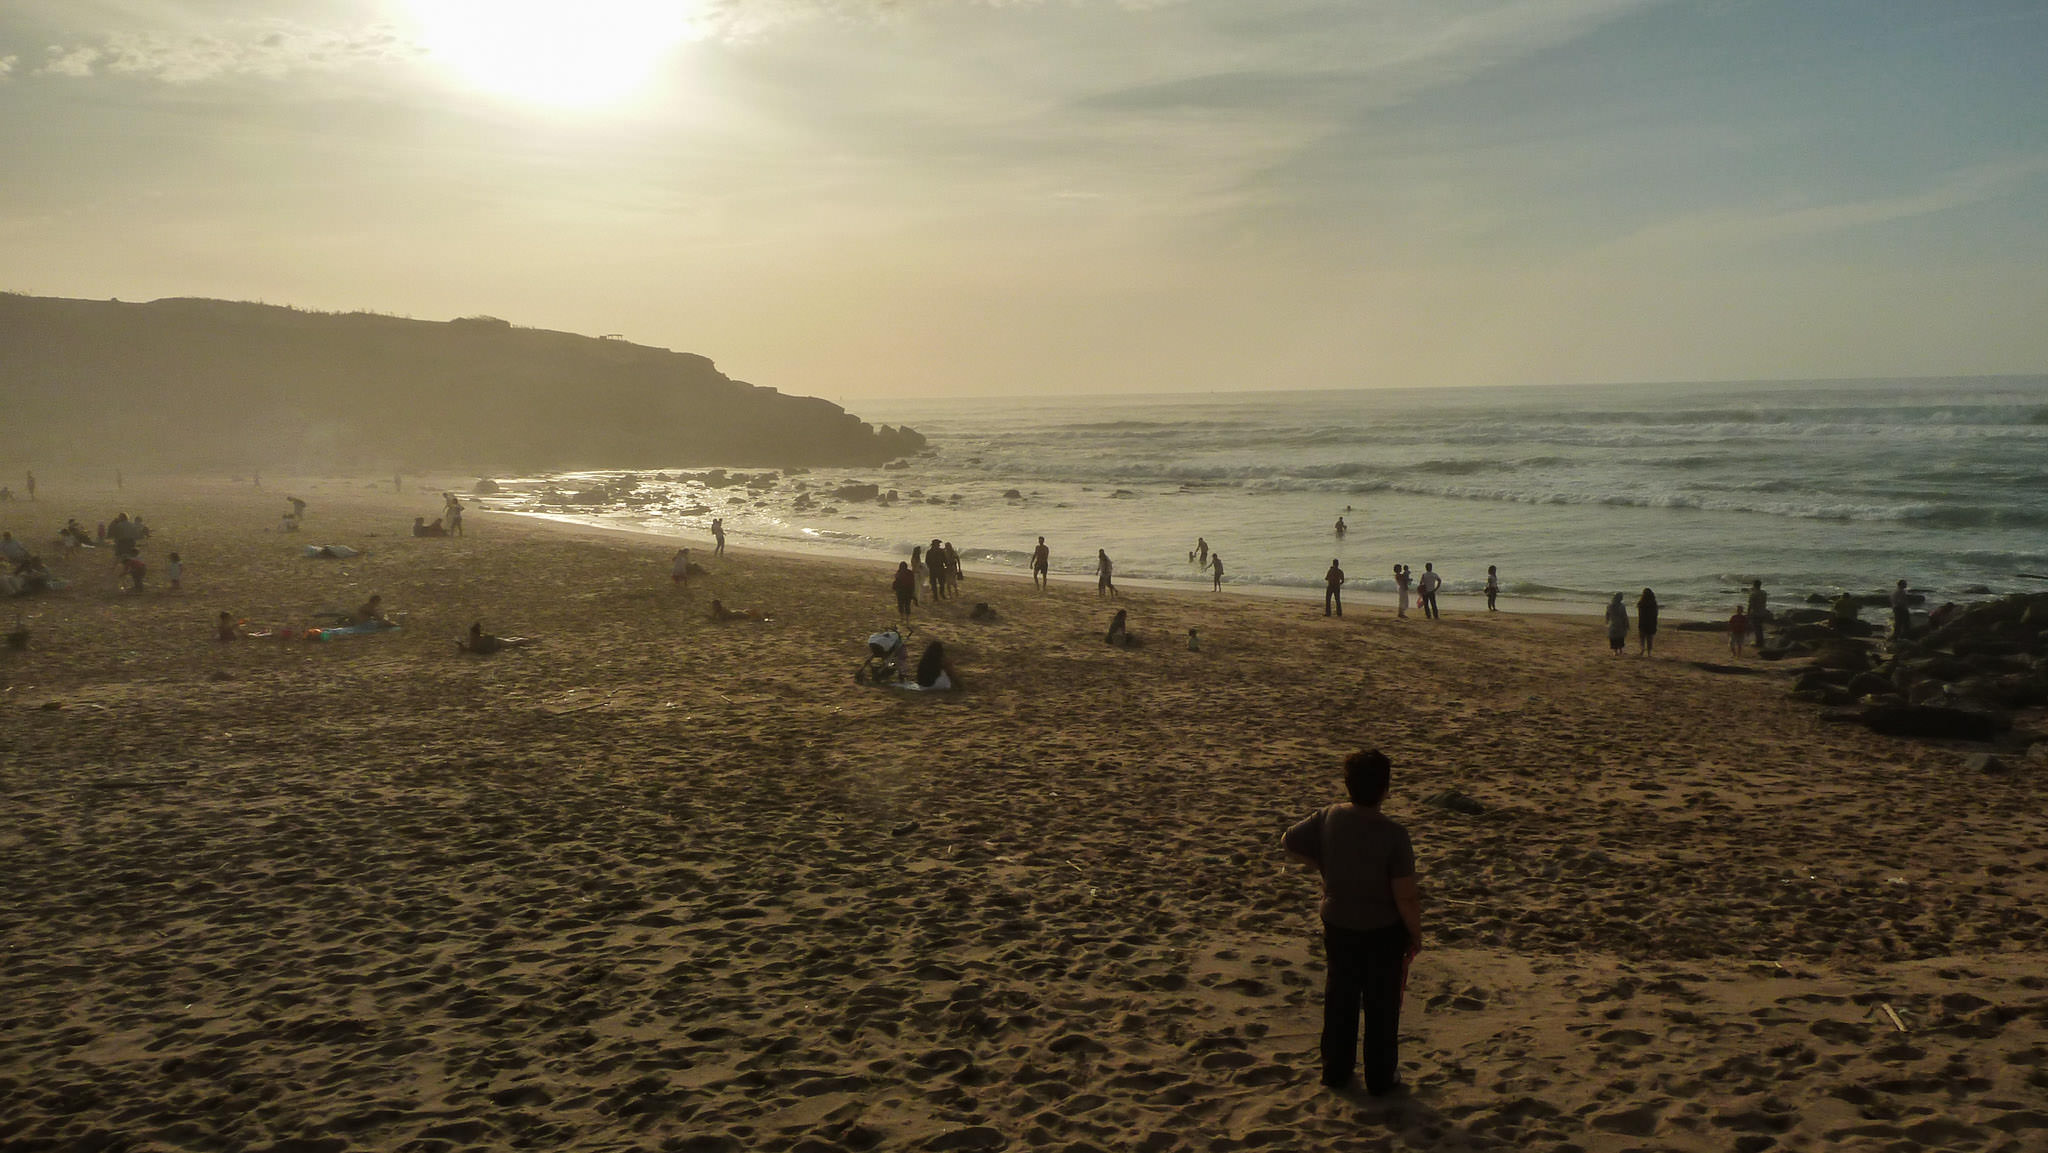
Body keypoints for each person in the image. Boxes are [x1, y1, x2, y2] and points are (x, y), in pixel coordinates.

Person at [1282, 749, 1422, 1096]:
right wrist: (1415, 934)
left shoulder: (1329, 816)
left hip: (1339, 923)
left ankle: (1335, 1070)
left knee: (1340, 996)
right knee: (1381, 1004)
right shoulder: (1393, 834)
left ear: (1347, 785)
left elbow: (1289, 842)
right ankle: (1380, 1076)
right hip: (1381, 929)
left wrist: (1327, 868)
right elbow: (1404, 894)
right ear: (1385, 789)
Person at [1746, 579, 1769, 651]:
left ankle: (1758, 643)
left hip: (1755, 613)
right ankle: (1761, 641)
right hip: (1762, 612)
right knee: (1760, 627)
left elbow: (1750, 605)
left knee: (1756, 628)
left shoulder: (1753, 594)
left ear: (1754, 585)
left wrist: (1748, 613)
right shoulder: (1764, 593)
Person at [1636, 588, 1659, 655]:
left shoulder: (1641, 603)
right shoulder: (1653, 603)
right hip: (1651, 622)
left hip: (1642, 622)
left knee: (1642, 637)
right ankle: (1649, 652)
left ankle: (1642, 648)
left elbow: (1640, 613)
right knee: (1650, 638)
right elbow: (1656, 614)